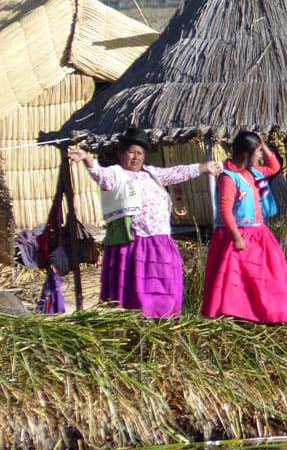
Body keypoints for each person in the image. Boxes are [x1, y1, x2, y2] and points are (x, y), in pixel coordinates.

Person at [67, 127, 222, 318]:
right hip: (135, 240)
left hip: (159, 239)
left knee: (163, 283)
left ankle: (163, 317)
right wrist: (86, 159)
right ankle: (139, 317)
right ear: (120, 153)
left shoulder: (151, 173)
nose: (136, 157)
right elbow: (100, 175)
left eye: (140, 153)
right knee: (138, 286)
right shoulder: (116, 174)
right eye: (131, 152)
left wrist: (203, 167)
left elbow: (176, 173)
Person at [201, 131, 287, 323]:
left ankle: (265, 314)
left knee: (267, 276)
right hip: (238, 235)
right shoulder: (229, 178)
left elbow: (274, 166)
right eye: (258, 152)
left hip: (259, 234)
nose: (261, 156)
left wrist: (263, 143)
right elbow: (225, 210)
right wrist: (237, 238)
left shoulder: (254, 173)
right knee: (242, 279)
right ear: (246, 154)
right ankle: (241, 315)